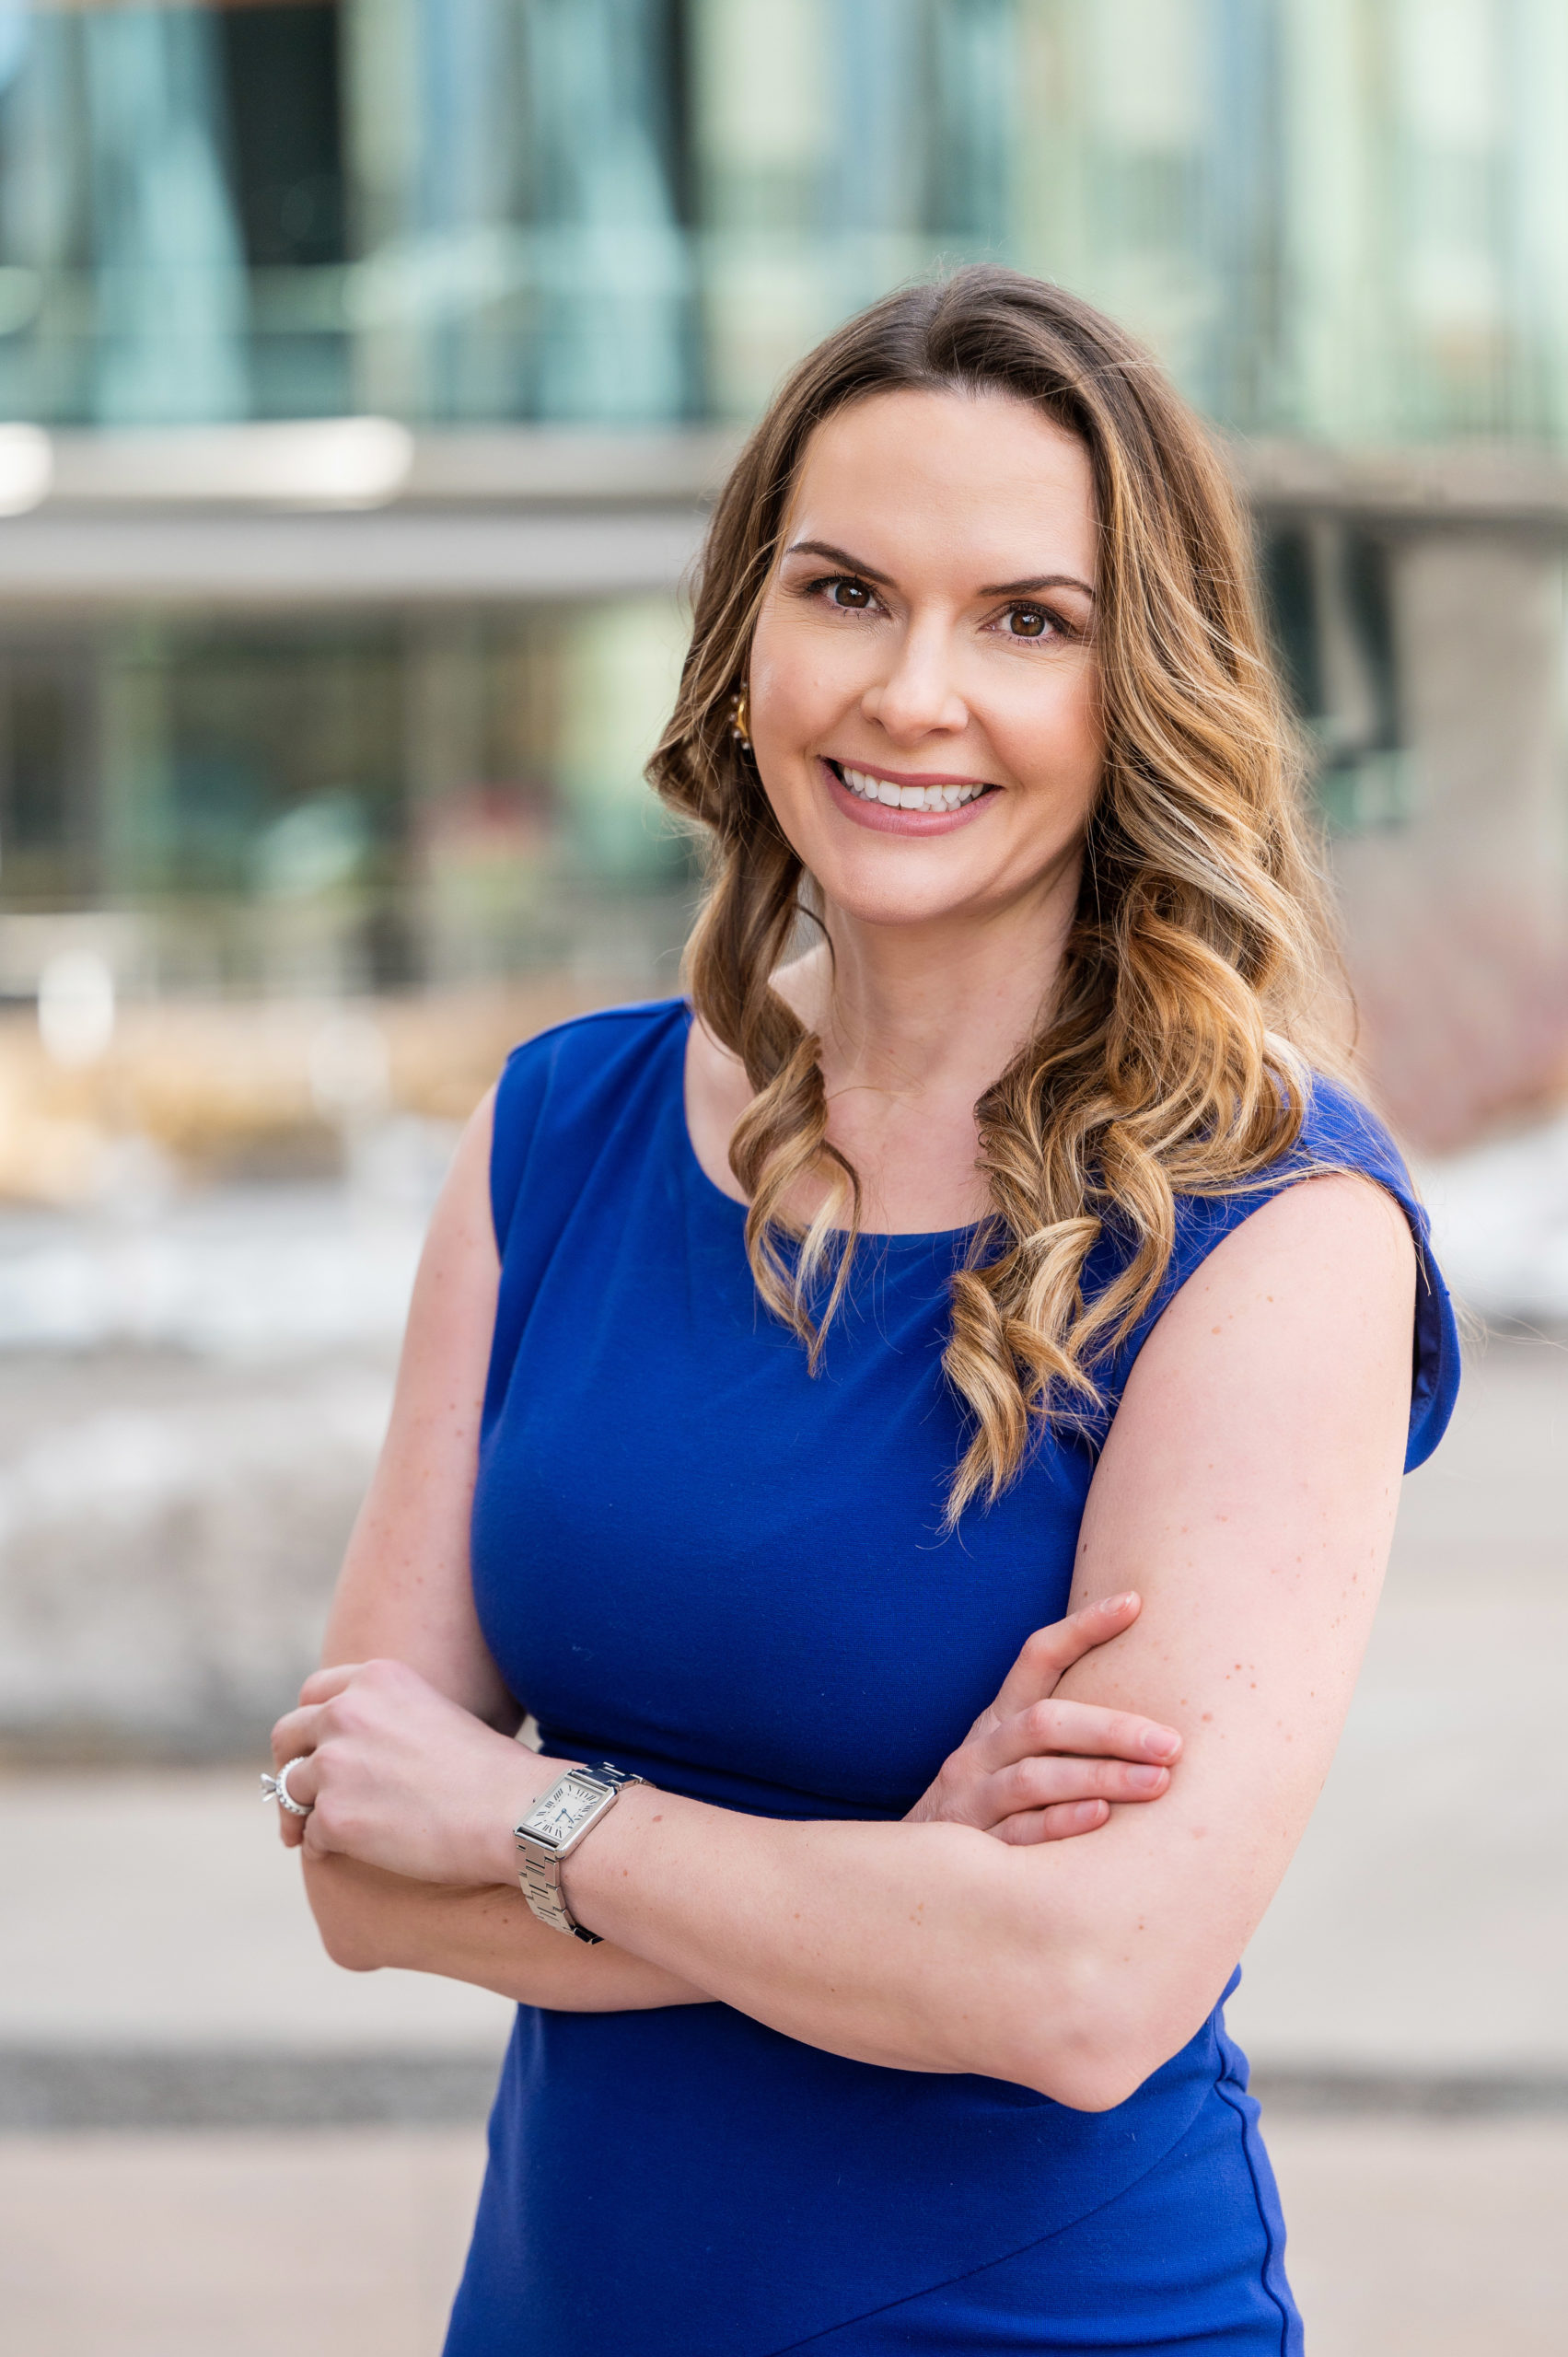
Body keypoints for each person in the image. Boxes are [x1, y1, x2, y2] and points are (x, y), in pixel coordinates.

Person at [266, 267, 1458, 2355]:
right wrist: (900, 1880)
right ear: (743, 645)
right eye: (845, 591)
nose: (915, 691)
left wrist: (541, 1823)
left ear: (1137, 689)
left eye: (1028, 618)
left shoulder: (1274, 1225)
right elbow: (362, 1861)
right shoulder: (562, 1131)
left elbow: (1084, 1988)